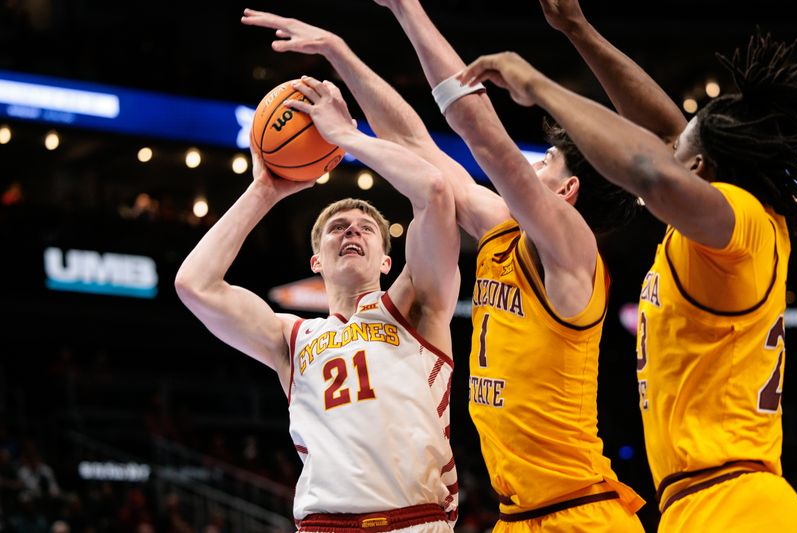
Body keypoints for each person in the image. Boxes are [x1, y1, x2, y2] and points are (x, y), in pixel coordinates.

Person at [240, 4, 645, 531]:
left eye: (545, 162)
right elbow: (413, 144)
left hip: (580, 513)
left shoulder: (574, 250)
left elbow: (482, 132)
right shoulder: (502, 228)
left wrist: (349, 136)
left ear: (567, 191)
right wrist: (343, 51)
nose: (532, 163)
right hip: (518, 514)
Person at [458, 1, 797, 530]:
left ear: (698, 168)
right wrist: (578, 30)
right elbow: (663, 138)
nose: (666, 148)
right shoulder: (722, 227)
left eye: (678, 150)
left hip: (736, 503)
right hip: (705, 500)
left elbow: (651, 172)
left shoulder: (743, 222)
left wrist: (540, 86)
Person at [175, 73, 461, 531]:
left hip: (415, 520)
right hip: (323, 525)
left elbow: (434, 192)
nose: (351, 231)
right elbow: (195, 285)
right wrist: (263, 191)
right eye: (337, 228)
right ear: (317, 262)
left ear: (387, 261)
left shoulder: (414, 305)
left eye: (366, 228)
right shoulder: (291, 338)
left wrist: (347, 137)